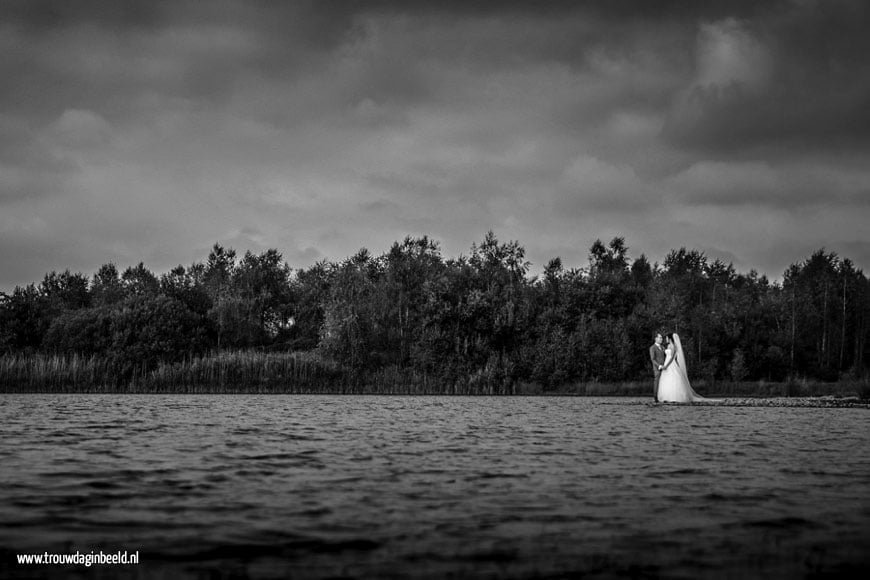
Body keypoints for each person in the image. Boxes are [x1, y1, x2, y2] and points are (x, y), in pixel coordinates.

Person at [657, 333, 715, 403]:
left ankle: (674, 397)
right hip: (666, 362)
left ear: (670, 338)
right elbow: (667, 353)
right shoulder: (668, 345)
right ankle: (666, 397)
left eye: (666, 338)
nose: (665, 339)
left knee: (673, 379)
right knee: (666, 380)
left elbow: (672, 358)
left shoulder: (673, 346)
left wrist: (666, 366)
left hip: (670, 363)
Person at [649, 332, 666, 402]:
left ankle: (662, 397)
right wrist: (659, 366)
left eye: (662, 338)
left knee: (664, 383)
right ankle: (655, 397)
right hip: (657, 369)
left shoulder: (663, 347)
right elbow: (652, 359)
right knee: (657, 382)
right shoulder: (652, 348)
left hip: (665, 368)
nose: (662, 339)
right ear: (656, 339)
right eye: (660, 337)